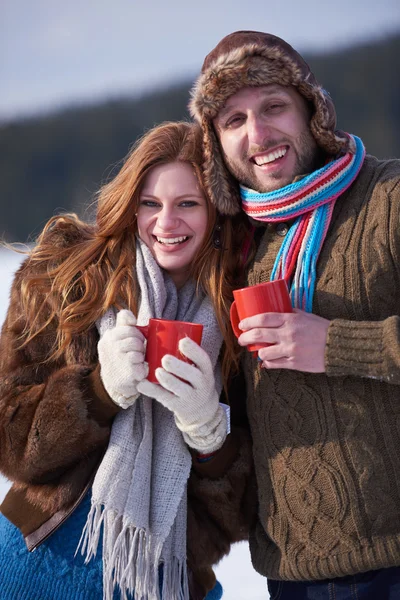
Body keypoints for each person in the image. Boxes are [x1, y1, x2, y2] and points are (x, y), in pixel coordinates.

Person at [0, 121, 256, 600]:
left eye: (187, 204)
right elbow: (8, 436)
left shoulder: (241, 316)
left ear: (217, 214)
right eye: (150, 204)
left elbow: (243, 516)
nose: (166, 223)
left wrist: (208, 433)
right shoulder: (65, 279)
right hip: (39, 559)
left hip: (166, 581)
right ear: (129, 204)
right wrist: (98, 393)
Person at [189, 30, 400, 599]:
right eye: (233, 120)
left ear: (313, 111)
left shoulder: (389, 198)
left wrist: (335, 344)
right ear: (216, 143)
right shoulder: (231, 246)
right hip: (289, 572)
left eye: (272, 107)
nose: (258, 135)